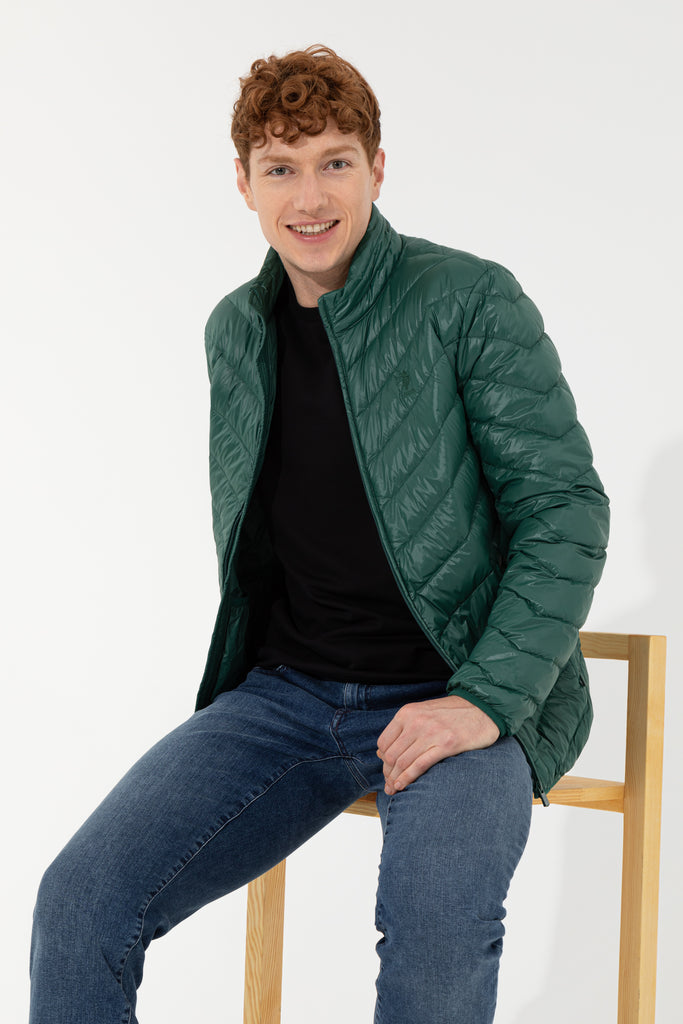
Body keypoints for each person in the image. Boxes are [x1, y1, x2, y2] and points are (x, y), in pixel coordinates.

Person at [29, 45, 609, 1024]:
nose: (309, 196)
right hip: (288, 697)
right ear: (244, 183)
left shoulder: (467, 299)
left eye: (334, 161)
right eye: (280, 167)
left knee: (433, 942)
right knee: (80, 902)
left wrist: (481, 700)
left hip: (456, 687)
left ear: (376, 168)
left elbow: (565, 510)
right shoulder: (236, 330)